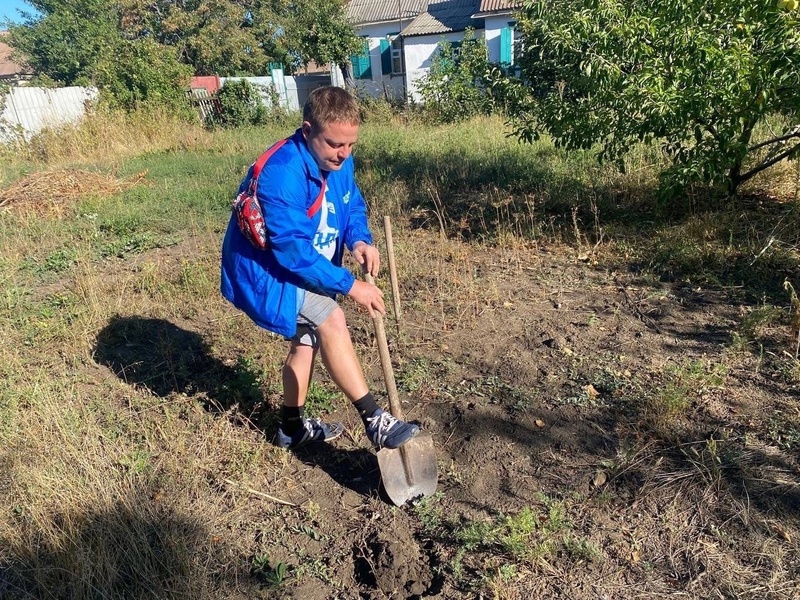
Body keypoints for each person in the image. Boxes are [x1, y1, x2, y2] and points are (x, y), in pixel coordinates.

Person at [220, 86, 420, 451]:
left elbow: (351, 204)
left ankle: (291, 428)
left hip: (303, 267)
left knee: (308, 340)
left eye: (350, 146)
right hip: (268, 272)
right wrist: (350, 285)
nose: (343, 155)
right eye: (334, 145)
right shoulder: (282, 174)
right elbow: (292, 252)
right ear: (308, 129)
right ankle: (374, 419)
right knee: (330, 319)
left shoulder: (339, 162)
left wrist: (358, 240)